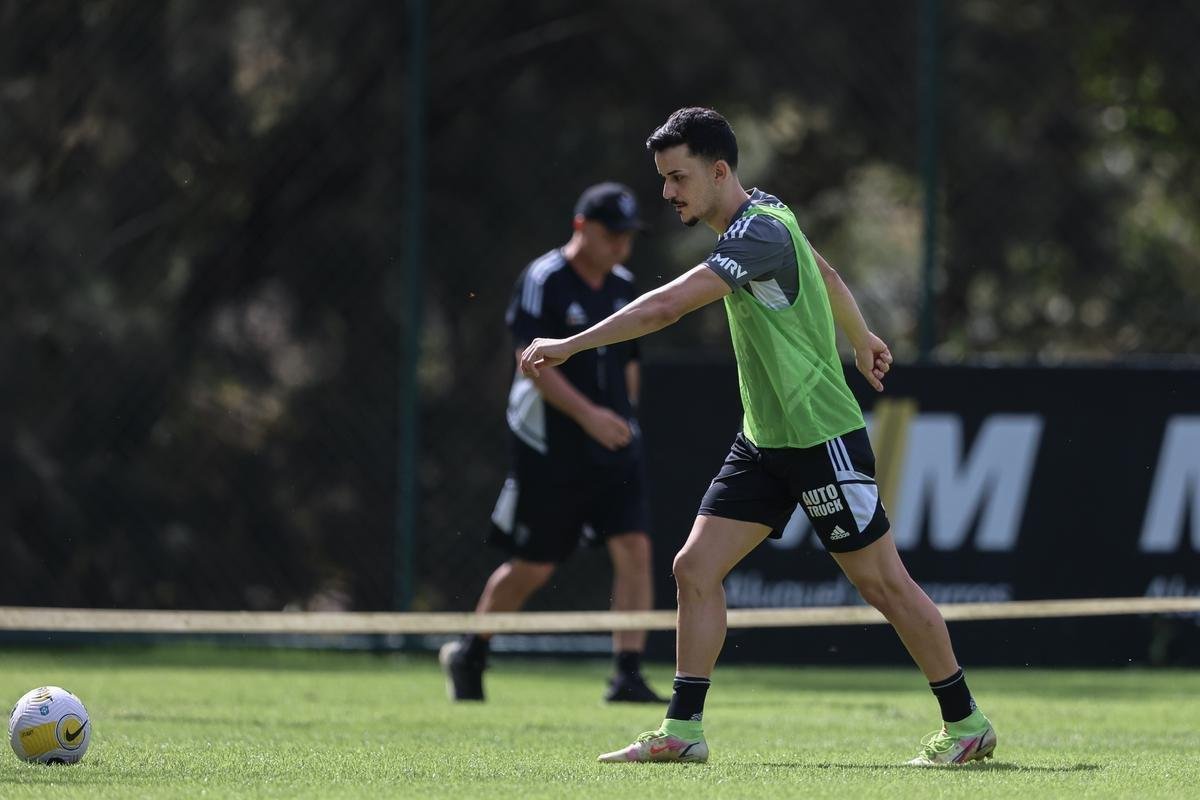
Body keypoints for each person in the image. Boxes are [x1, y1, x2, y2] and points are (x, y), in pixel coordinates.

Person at [518, 108, 996, 766]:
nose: (668, 193)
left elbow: (666, 306)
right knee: (694, 569)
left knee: (883, 584)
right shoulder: (766, 210)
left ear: (719, 172)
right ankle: (683, 732)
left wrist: (570, 344)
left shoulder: (759, 233)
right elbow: (825, 272)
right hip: (764, 440)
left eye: (678, 177)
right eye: (663, 178)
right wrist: (861, 339)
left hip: (819, 436)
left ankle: (966, 721)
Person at [440, 182, 666, 705]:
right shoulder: (545, 280)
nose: (621, 247)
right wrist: (590, 418)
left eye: (628, 238)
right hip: (551, 444)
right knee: (534, 564)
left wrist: (624, 422)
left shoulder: (624, 286)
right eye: (612, 235)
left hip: (612, 443)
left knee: (635, 548)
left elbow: (629, 364)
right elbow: (533, 362)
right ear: (581, 227)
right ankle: (471, 651)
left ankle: (626, 673)